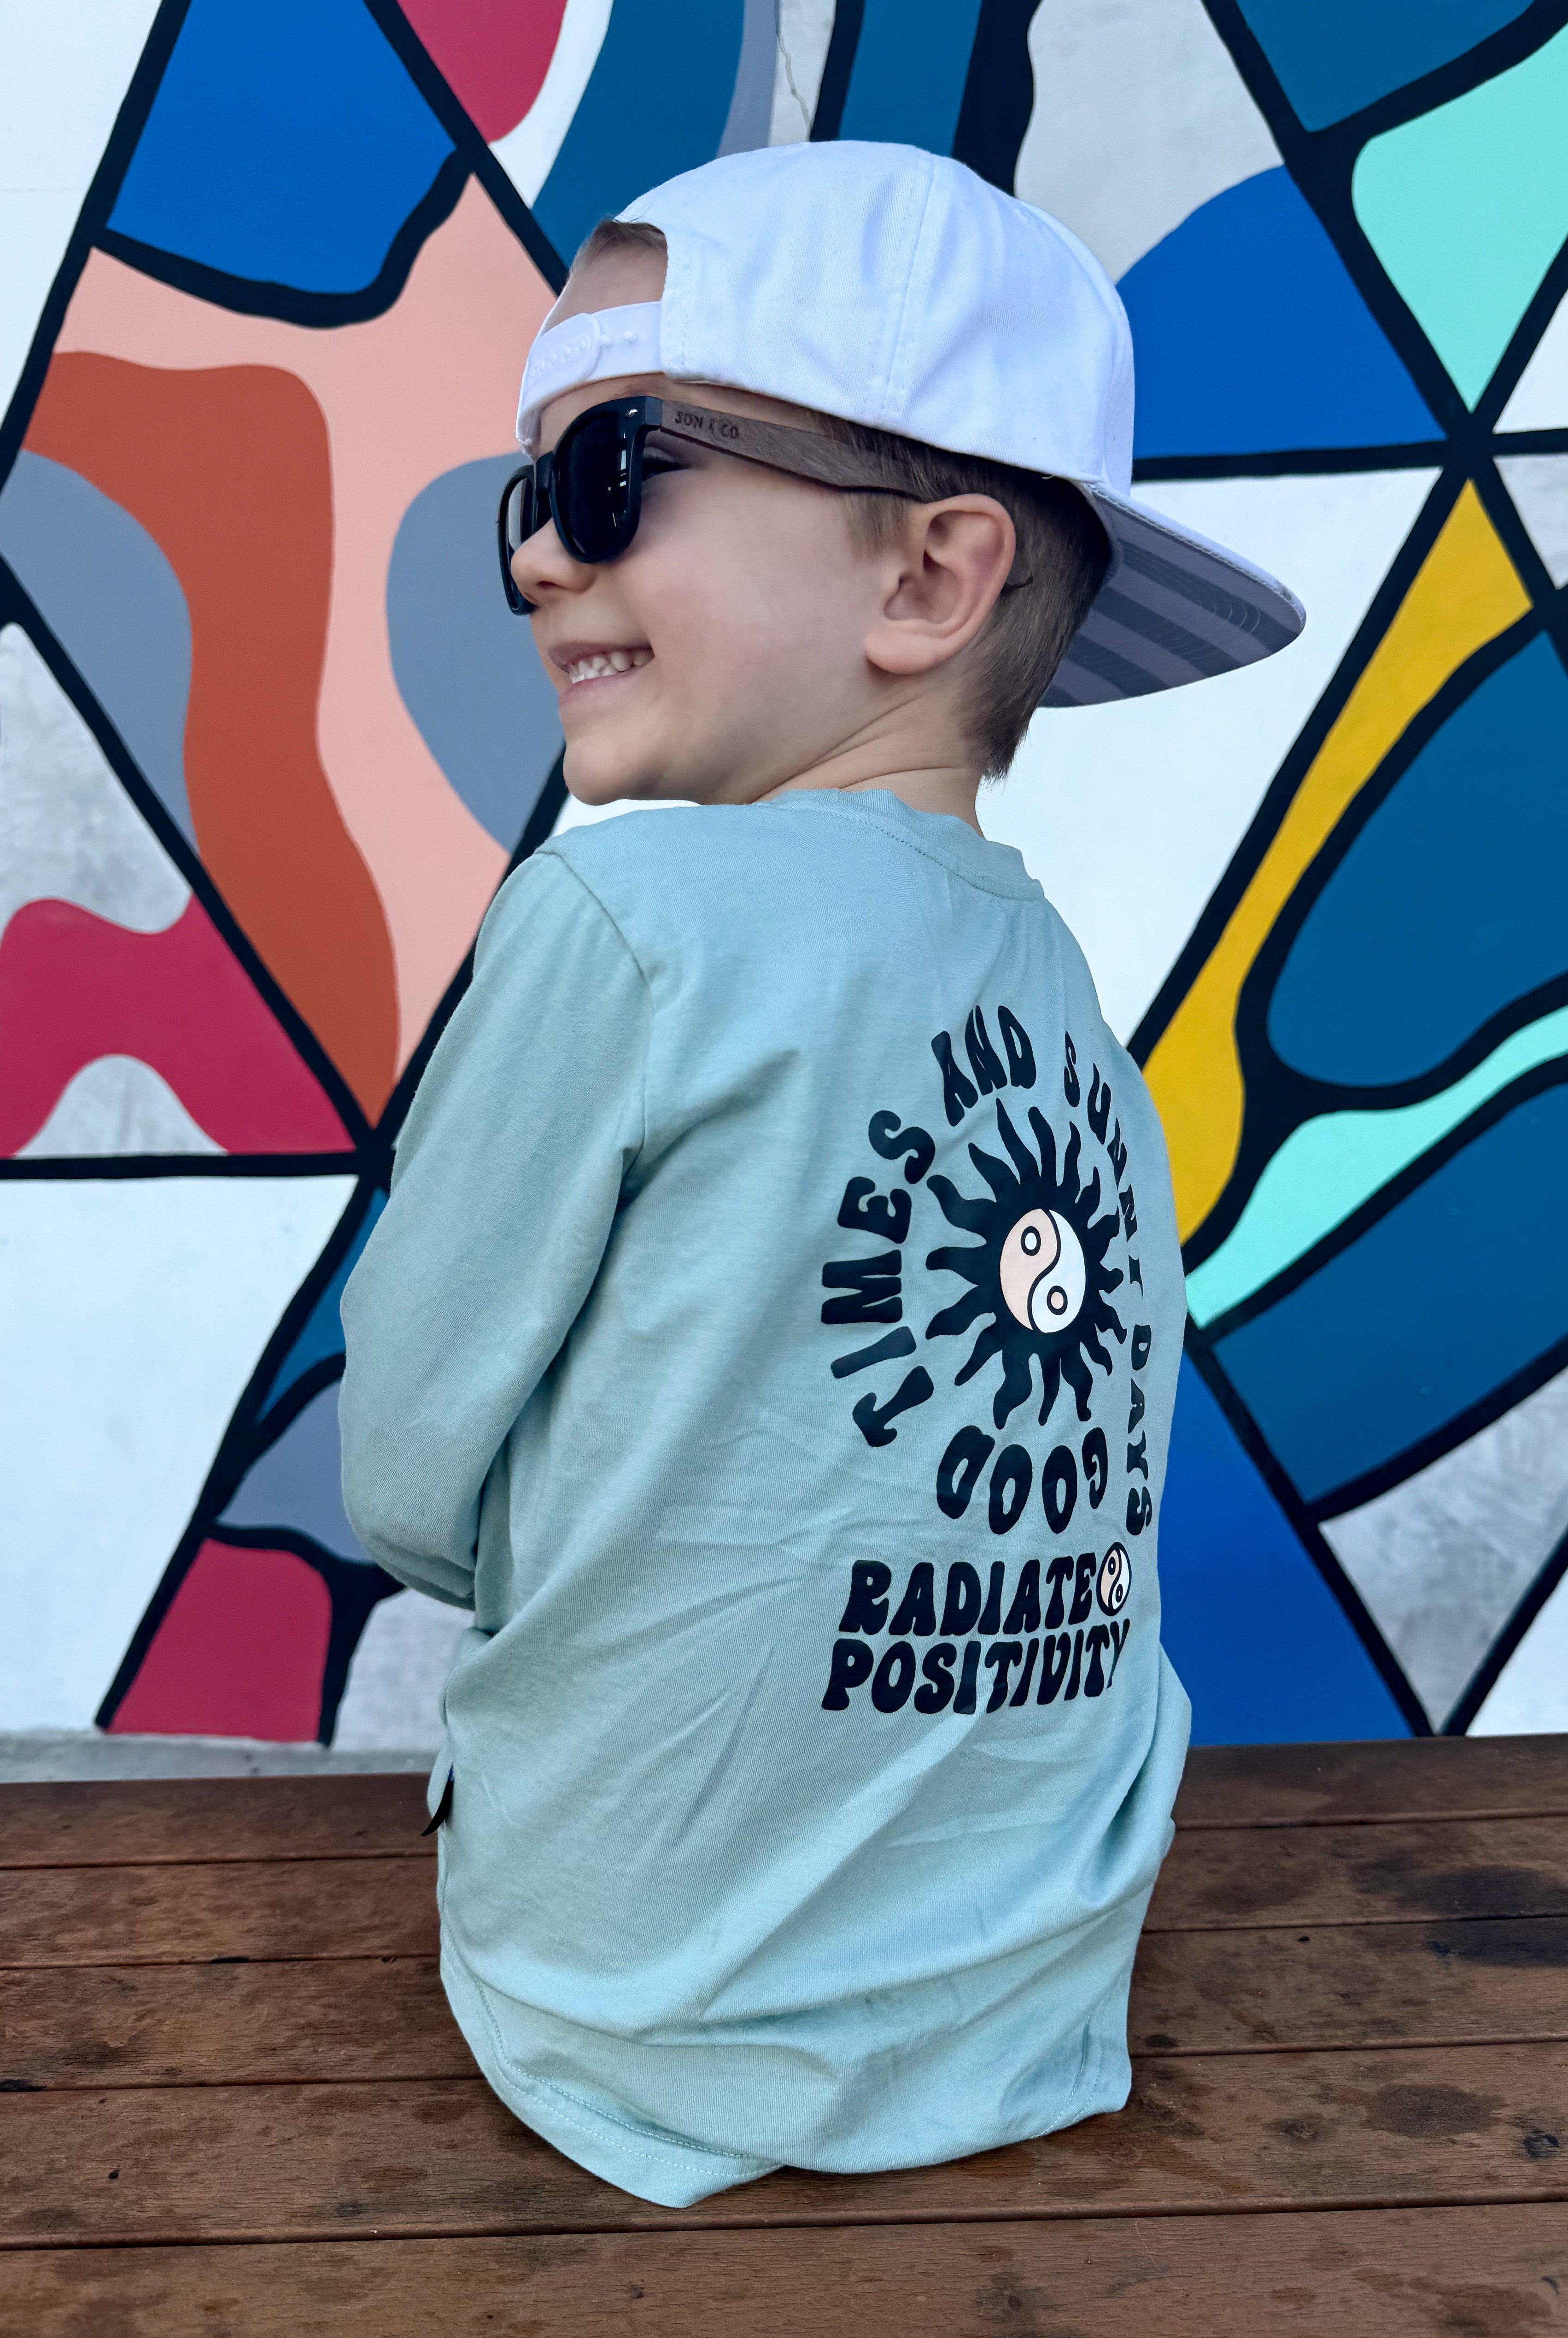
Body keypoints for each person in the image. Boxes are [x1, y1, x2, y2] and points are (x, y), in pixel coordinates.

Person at [340, 140, 1303, 2208]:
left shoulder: (622, 919)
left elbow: (405, 1474)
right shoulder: (1055, 983)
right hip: (1031, 2004)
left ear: (928, 581)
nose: (536, 558)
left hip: (629, 2015)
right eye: (529, 497)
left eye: (611, 477)